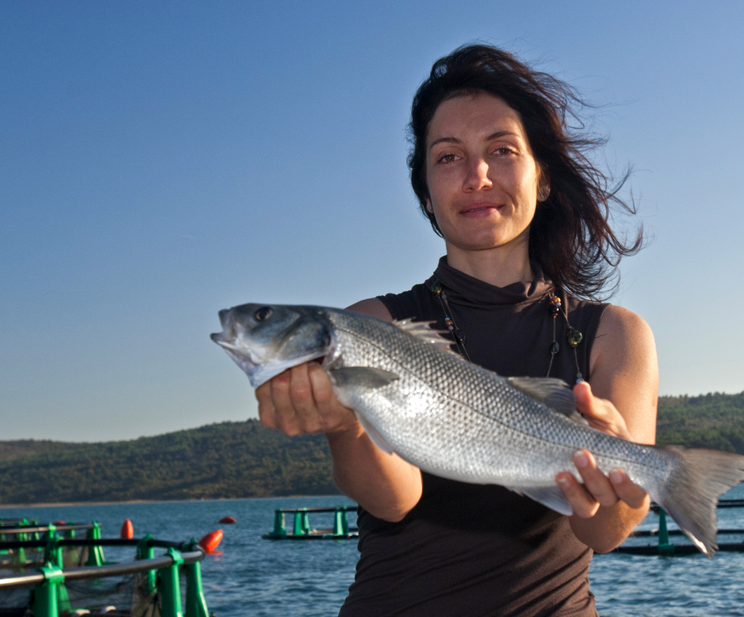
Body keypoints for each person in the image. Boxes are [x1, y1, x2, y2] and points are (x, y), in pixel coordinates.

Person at [256, 44, 658, 616]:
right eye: (448, 157)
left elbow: (607, 534)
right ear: (424, 191)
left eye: (502, 150)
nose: (477, 176)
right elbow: (396, 502)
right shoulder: (373, 324)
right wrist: (343, 428)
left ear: (542, 178)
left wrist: (621, 481)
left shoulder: (614, 333)